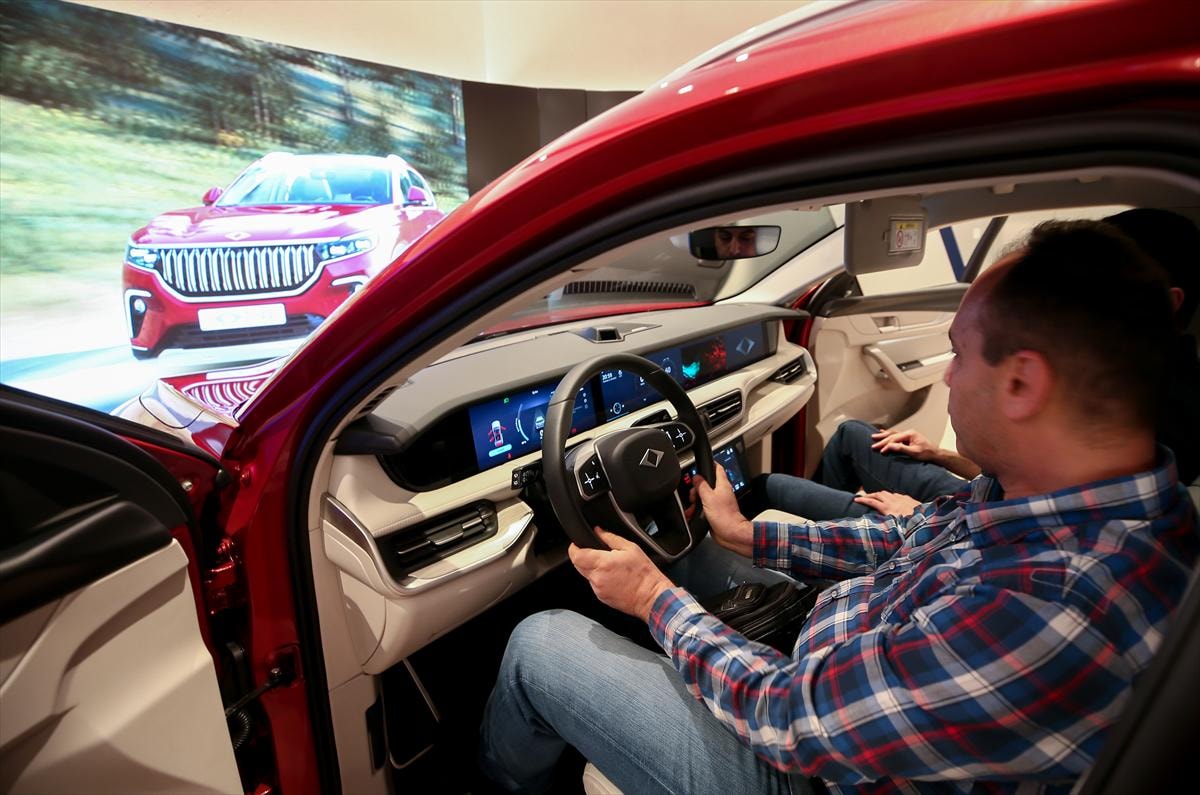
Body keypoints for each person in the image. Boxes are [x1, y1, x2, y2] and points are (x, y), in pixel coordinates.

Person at [478, 220, 1199, 794]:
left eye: (959, 353)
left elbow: (787, 715)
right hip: (842, 668)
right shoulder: (1048, 499)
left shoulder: (1058, 607)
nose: (949, 376)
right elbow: (909, 539)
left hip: (809, 765)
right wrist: (746, 534)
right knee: (697, 550)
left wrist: (652, 600)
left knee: (540, 642)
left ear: (1022, 383)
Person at [749, 208, 1200, 522]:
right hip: (960, 511)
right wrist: (940, 460)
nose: (949, 374)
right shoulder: (1126, 403)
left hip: (947, 525)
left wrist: (919, 518)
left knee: (767, 488)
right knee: (852, 435)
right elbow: (1019, 489)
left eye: (960, 354)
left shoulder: (1172, 412)